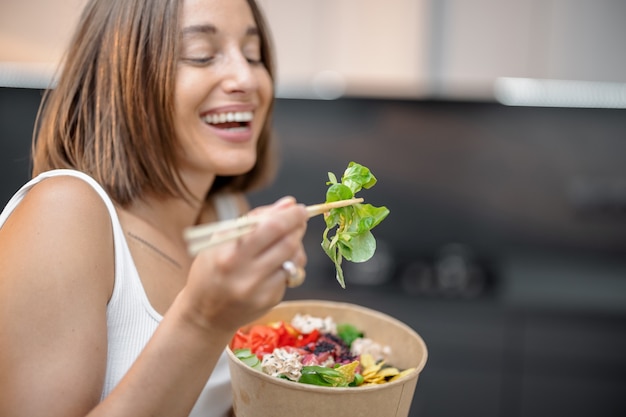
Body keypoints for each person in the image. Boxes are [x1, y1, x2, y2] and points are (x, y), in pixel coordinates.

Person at [0, 0, 309, 416]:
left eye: (253, 56)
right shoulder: (63, 213)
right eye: (202, 55)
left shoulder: (227, 212)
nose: (246, 78)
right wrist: (202, 320)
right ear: (122, 78)